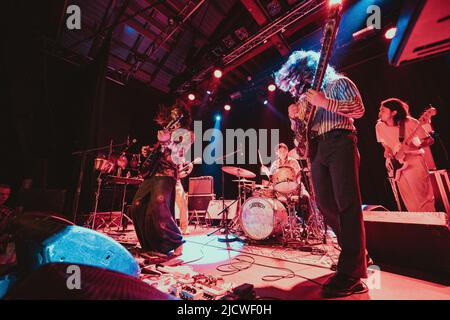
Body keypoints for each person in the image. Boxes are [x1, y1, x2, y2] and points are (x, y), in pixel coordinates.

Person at [274, 50, 367, 297]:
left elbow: (358, 109)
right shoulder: (304, 100)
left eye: (295, 81)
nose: (295, 88)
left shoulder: (338, 83)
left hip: (341, 139)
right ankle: (356, 255)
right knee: (325, 204)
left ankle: (352, 274)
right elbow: (300, 139)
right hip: (317, 147)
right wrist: (294, 119)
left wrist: (324, 102)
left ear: (307, 72)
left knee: (347, 203)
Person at [129, 103, 192, 257]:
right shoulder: (164, 132)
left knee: (159, 204)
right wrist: (148, 150)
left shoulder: (187, 134)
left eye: (177, 114)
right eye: (172, 114)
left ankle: (176, 240)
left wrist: (167, 141)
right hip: (152, 173)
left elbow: (178, 157)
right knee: (136, 205)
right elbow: (159, 152)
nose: (174, 116)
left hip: (168, 173)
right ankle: (148, 243)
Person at [375, 98, 436, 212]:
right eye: (380, 110)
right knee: (409, 201)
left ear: (394, 112)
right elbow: (384, 142)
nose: (380, 113)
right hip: (397, 165)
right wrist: (386, 149)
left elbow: (430, 140)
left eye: (383, 111)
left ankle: (432, 227)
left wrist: (416, 145)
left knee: (423, 199)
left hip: (414, 162)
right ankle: (418, 227)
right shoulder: (379, 126)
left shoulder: (410, 122)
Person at [0, 184, 16, 265]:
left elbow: (12, 231)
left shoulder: (8, 212)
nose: (4, 197)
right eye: (1, 194)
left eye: (7, 195)